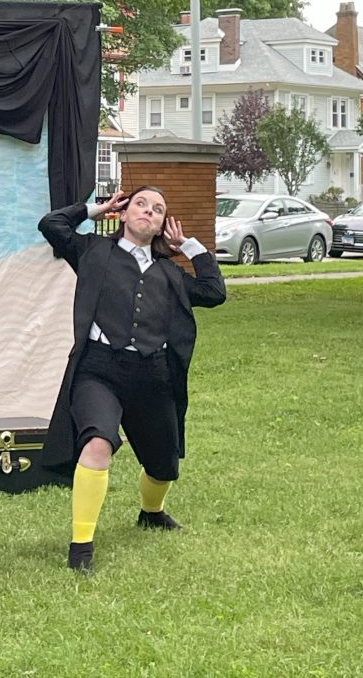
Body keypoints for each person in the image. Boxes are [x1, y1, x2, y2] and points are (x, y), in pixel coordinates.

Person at [38, 186, 226, 572]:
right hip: (99, 369)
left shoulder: (171, 273)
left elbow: (213, 291)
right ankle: (81, 546)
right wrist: (97, 208)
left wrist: (188, 244)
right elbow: (51, 224)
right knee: (97, 444)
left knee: (163, 466)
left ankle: (151, 512)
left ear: (161, 226)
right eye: (141, 204)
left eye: (158, 209)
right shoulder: (92, 251)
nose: (149, 212)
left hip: (152, 374)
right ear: (124, 214)